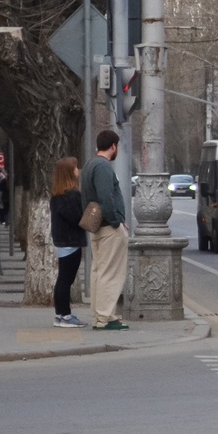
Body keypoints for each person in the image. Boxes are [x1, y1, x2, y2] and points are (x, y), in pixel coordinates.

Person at [81, 130, 129, 330]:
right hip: (109, 228)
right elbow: (105, 197)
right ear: (114, 146)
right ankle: (105, 316)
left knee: (99, 271)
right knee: (111, 273)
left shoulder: (90, 164)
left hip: (95, 225)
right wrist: (117, 221)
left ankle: (98, 315)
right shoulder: (103, 167)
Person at [49, 157, 89, 328]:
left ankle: (60, 314)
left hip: (62, 240)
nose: (78, 170)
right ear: (69, 172)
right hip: (70, 241)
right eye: (75, 167)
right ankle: (65, 315)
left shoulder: (57, 195)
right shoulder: (71, 195)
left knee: (63, 279)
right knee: (66, 279)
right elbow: (77, 218)